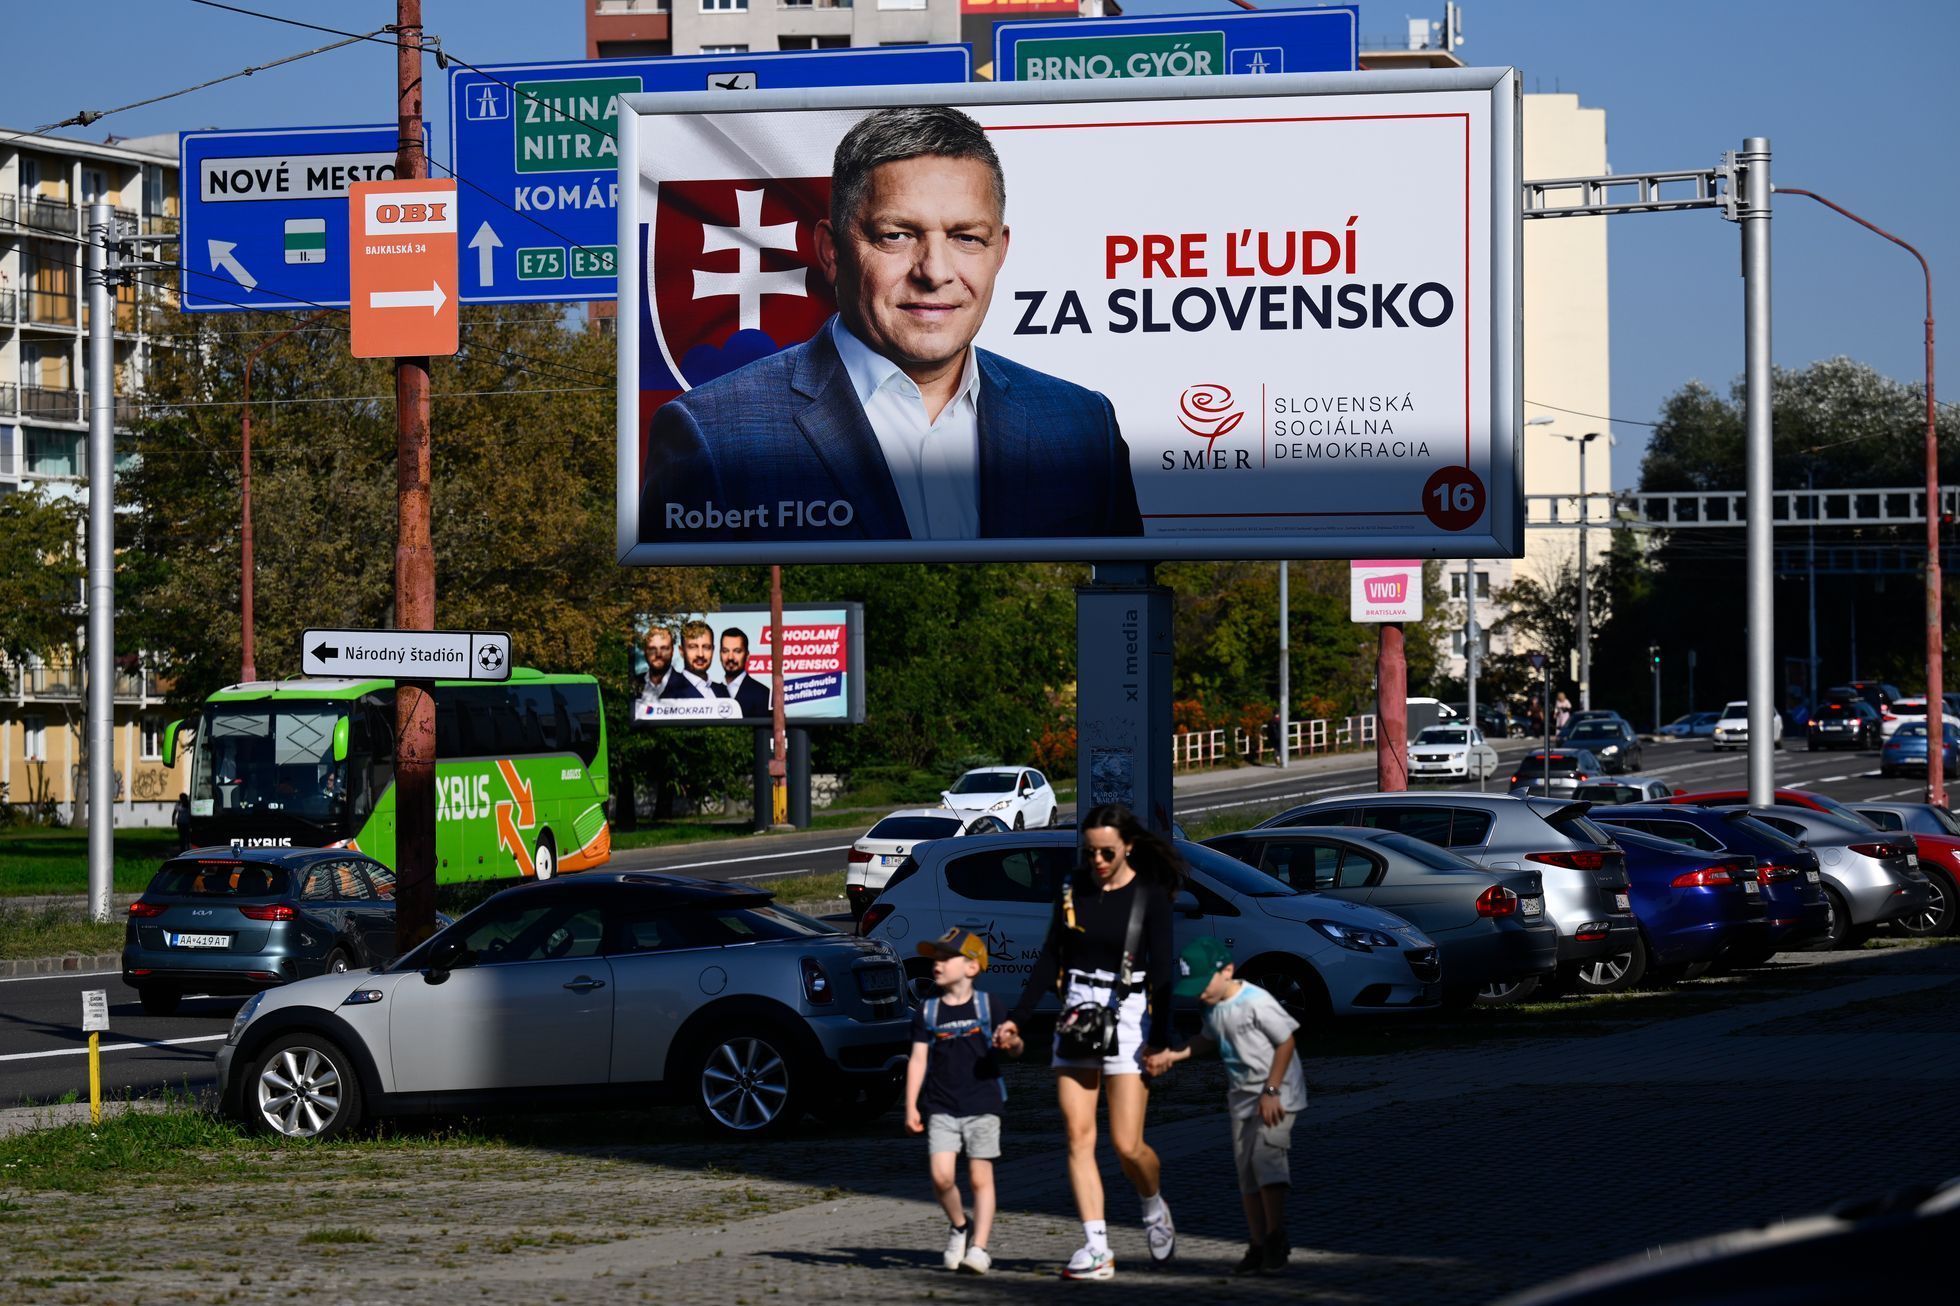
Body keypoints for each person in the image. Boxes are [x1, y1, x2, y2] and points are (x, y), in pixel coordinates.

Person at [640, 105, 1143, 544]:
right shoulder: (712, 436)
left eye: (967, 238)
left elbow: (1128, 609)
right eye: (897, 235)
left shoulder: (1083, 427)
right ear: (831, 252)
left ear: (1000, 251)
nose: (936, 272)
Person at [992, 803, 1182, 1280]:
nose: (1096, 860)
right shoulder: (1073, 888)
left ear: (1128, 847)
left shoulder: (1150, 894)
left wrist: (1160, 1040)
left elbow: (1162, 973)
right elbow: (1049, 956)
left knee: (1126, 1145)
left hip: (1130, 1012)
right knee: (1078, 1137)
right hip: (1078, 1010)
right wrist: (1017, 1018)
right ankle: (1097, 1248)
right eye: (1090, 851)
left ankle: (1153, 1206)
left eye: (1106, 852)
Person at [1145, 938, 1306, 1276]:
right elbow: (1207, 1038)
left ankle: (1276, 1237)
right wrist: (1175, 1054)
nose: (1199, 993)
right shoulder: (1212, 1005)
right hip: (1242, 1096)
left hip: (1276, 1093)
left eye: (1203, 984)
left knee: (1267, 1162)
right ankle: (1257, 1243)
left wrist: (1272, 1091)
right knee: (1246, 1173)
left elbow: (1285, 1041)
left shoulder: (1256, 1002)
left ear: (1227, 971)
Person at [905, 927, 1023, 1276]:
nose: (936, 964)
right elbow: (918, 1060)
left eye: (946, 957)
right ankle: (959, 1225)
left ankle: (980, 1249)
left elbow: (1017, 1047)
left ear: (972, 967)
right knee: (941, 1177)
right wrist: (911, 1104)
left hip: (984, 1103)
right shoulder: (927, 1011)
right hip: (941, 1105)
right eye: (935, 957)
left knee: (979, 1178)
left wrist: (1011, 1043)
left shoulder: (989, 1005)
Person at [636, 626, 700, 704]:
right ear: (645, 651)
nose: (658, 654)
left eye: (664, 648)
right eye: (652, 648)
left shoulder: (689, 689)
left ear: (672, 651)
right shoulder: (633, 685)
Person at [718, 628, 773, 717]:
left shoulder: (764, 694)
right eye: (725, 651)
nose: (730, 657)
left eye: (737, 651)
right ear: (720, 654)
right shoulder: (711, 692)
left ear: (747, 655)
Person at [680, 620, 719, 695]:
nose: (700, 654)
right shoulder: (669, 691)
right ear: (682, 651)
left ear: (713, 650)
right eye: (693, 647)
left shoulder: (723, 691)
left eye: (706, 647)